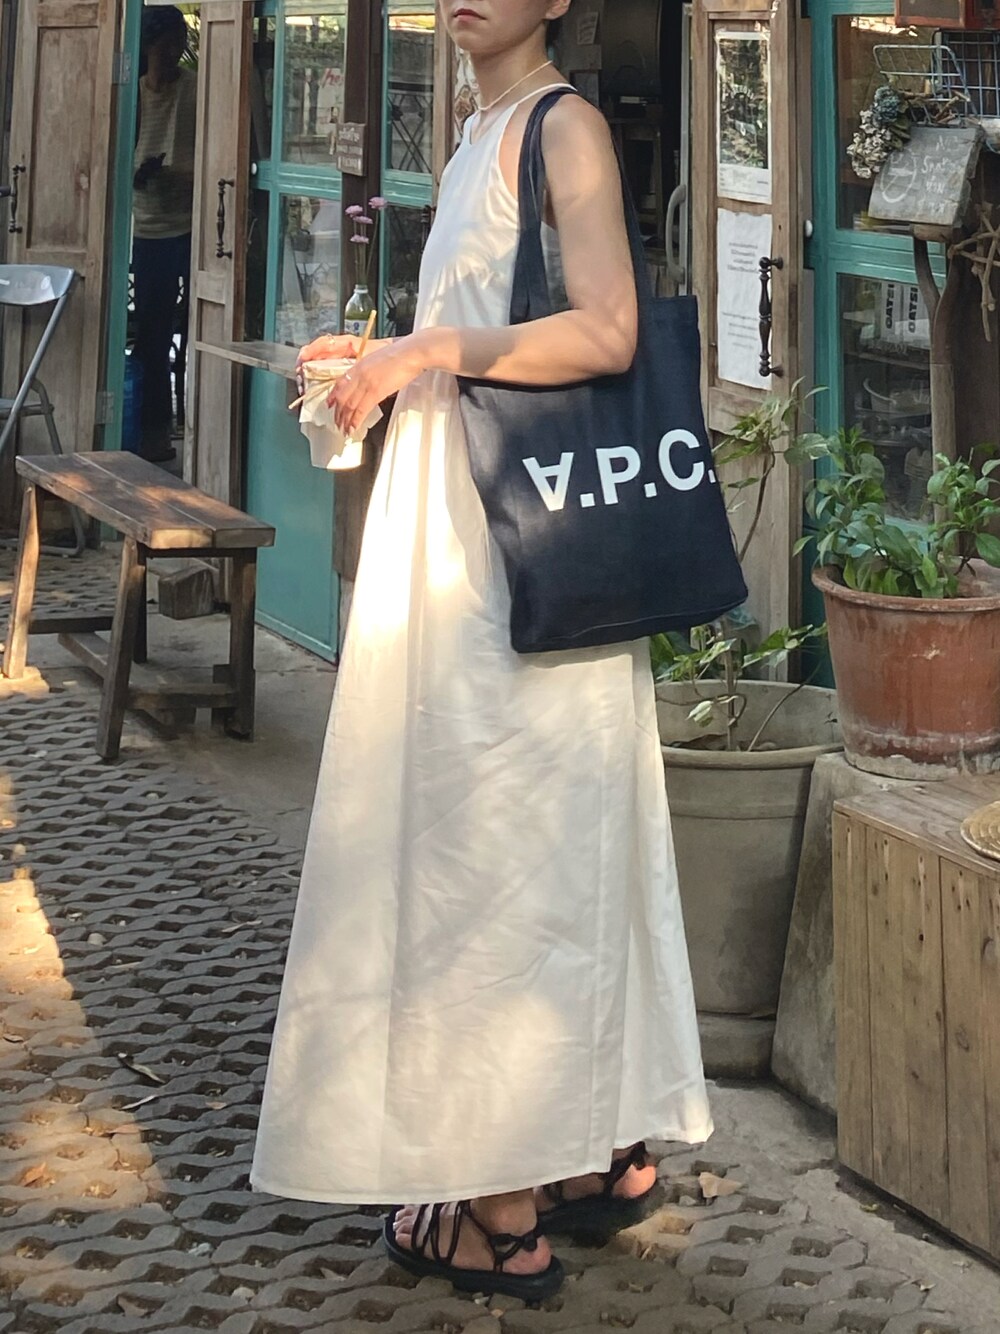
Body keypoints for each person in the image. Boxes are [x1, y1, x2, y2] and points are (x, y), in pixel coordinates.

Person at [251, 0, 712, 1302]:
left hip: (508, 554)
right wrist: (381, 361)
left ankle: (496, 1208)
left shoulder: (559, 125)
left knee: (492, 845)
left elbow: (609, 331)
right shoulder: (477, 129)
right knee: (544, 837)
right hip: (481, 538)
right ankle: (592, 1150)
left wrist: (424, 349)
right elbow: (485, 328)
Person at [131, 6, 196, 464]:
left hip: (191, 223)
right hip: (148, 226)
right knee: (153, 334)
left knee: (197, 329)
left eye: (179, 43)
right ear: (148, 46)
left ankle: (192, 423)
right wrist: (141, 174)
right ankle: (152, 431)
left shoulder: (193, 90)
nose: (171, 53)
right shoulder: (133, 97)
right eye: (163, 45)